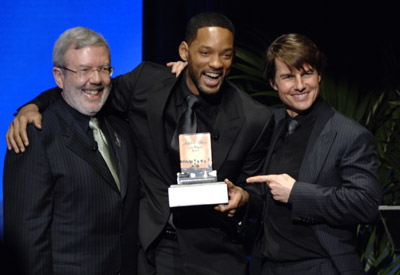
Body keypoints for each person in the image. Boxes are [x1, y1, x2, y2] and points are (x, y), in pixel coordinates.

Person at [6, 12, 274, 275]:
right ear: (185, 51)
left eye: (225, 55)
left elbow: (259, 195)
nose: (216, 63)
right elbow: (90, 87)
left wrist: (245, 198)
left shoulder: (255, 118)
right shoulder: (147, 84)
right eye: (205, 53)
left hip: (215, 258)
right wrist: (34, 105)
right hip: (149, 254)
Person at [3, 27, 139, 275]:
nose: (96, 79)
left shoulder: (122, 128)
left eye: (104, 68)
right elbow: (26, 241)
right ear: (59, 76)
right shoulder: (35, 135)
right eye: (84, 70)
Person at [244, 33, 381, 274]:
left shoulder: (350, 135)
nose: (299, 85)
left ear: (319, 75)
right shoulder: (268, 124)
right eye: (287, 77)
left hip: (320, 265)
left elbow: (366, 204)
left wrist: (297, 193)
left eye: (306, 73)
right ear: (273, 83)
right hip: (266, 265)